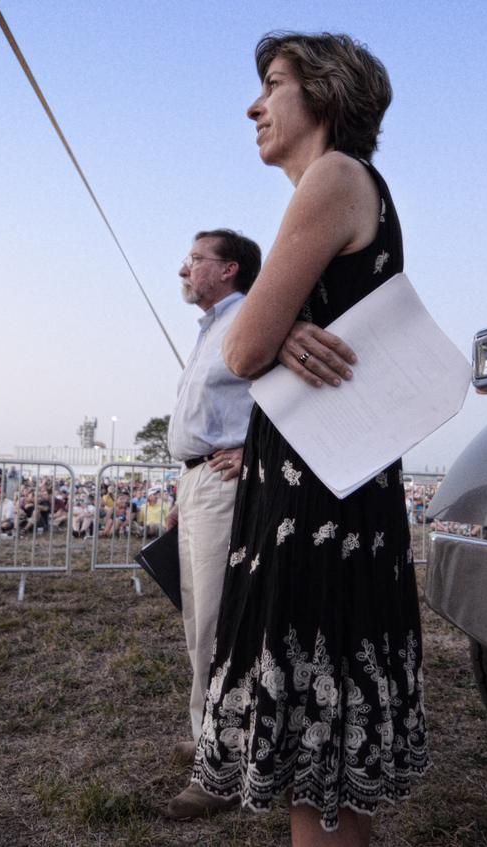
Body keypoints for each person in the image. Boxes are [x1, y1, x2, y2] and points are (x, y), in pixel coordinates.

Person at [172, 33, 428, 843]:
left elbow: (241, 349)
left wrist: (270, 331)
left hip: (315, 487)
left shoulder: (332, 176)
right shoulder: (356, 187)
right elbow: (268, 336)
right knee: (322, 754)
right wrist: (281, 329)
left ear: (321, 94)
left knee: (314, 729)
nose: (254, 104)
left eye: (272, 83)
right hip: (331, 469)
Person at [159, 227, 262, 814]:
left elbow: (293, 393)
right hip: (200, 482)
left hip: (229, 486)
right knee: (198, 616)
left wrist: (257, 452)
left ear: (228, 270)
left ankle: (224, 762)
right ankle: (209, 740)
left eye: (196, 259)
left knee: (219, 623)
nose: (184, 269)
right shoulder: (211, 331)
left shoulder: (253, 319)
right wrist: (186, 484)